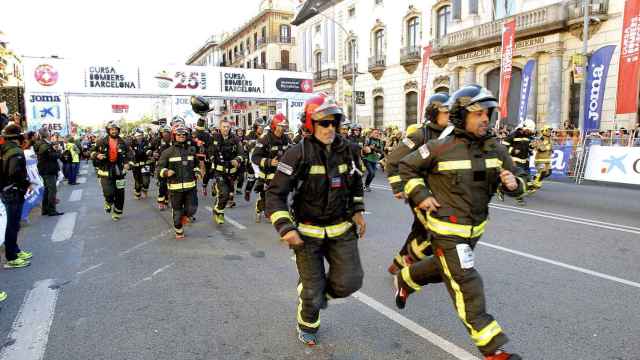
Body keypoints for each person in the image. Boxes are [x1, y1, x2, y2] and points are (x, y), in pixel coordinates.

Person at [395, 85, 525, 360]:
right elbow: (406, 166)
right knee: (467, 282)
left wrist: (514, 185)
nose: (485, 119)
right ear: (461, 115)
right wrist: (421, 195)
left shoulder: (495, 148)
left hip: (474, 229)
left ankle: (406, 278)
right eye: (478, 113)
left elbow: (518, 179)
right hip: (446, 230)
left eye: (487, 113)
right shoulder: (440, 146)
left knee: (442, 268)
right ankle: (493, 350)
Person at [265, 93, 366, 346]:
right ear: (310, 124)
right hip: (307, 235)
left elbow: (355, 185)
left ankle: (315, 292)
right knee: (311, 292)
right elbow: (275, 195)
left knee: (350, 282)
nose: (330, 128)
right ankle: (308, 323)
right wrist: (285, 227)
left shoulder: (350, 151)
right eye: (324, 122)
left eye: (334, 122)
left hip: (342, 230)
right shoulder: (295, 154)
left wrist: (358, 210)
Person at [385, 92, 451, 275]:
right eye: (446, 112)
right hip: (421, 191)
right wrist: (398, 187)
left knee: (420, 231)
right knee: (435, 232)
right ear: (433, 113)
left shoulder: (453, 134)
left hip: (443, 193)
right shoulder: (420, 135)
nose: (450, 115)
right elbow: (393, 159)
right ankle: (407, 262)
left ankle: (399, 263)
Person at [158, 125, 200, 239]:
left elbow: (195, 165)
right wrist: (166, 172)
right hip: (175, 188)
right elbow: (159, 168)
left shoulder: (191, 150)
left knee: (192, 209)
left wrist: (197, 172)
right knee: (177, 211)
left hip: (191, 186)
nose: (181, 136)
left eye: (183, 135)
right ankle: (178, 229)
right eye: (179, 135)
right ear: (174, 136)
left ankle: (185, 217)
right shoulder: (167, 152)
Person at [1, 124, 33, 269]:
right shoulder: (15, 151)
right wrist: (27, 184)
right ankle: (11, 257)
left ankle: (15, 250)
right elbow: (15, 172)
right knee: (13, 225)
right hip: (13, 191)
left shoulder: (6, 149)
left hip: (8, 190)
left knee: (14, 224)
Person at [251, 113, 290, 223]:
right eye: (280, 126)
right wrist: (269, 162)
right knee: (265, 197)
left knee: (280, 195)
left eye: (284, 126)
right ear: (274, 126)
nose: (282, 129)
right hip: (267, 174)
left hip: (281, 173)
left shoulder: (286, 139)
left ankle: (278, 215)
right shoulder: (265, 139)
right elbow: (255, 157)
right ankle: (260, 208)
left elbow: (290, 152)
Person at [91, 121, 131, 221]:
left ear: (118, 130)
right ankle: (108, 202)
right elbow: (91, 152)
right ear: (108, 130)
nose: (114, 131)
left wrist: (128, 163)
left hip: (120, 172)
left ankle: (117, 213)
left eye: (115, 129)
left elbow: (130, 154)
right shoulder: (101, 142)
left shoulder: (124, 142)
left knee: (120, 194)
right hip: (105, 171)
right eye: (112, 129)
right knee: (109, 192)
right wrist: (97, 155)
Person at [208, 119, 244, 224]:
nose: (226, 129)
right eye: (224, 127)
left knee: (227, 195)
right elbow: (208, 149)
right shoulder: (214, 137)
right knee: (224, 193)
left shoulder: (236, 139)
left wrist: (237, 159)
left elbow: (241, 153)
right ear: (220, 127)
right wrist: (212, 158)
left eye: (227, 127)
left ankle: (217, 208)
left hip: (231, 172)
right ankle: (220, 213)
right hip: (219, 171)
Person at [502, 119, 534, 205]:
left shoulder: (528, 136)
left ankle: (502, 190)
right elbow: (504, 146)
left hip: (524, 161)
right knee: (519, 178)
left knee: (526, 178)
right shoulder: (514, 134)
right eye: (529, 130)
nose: (530, 132)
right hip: (515, 160)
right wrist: (513, 150)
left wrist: (530, 149)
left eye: (530, 131)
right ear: (525, 128)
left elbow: (527, 147)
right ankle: (519, 198)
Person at [35, 127, 64, 216]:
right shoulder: (44, 145)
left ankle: (45, 209)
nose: (49, 133)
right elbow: (52, 156)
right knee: (52, 190)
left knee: (47, 190)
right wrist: (59, 151)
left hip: (46, 169)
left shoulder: (44, 144)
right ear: (46, 134)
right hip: (48, 170)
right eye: (48, 132)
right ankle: (51, 210)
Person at [151, 125, 173, 210]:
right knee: (163, 185)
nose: (166, 134)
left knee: (171, 184)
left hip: (172, 165)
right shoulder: (157, 141)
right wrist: (153, 153)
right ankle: (161, 201)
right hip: (161, 165)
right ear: (161, 133)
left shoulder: (173, 141)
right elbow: (150, 149)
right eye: (164, 132)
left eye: (167, 132)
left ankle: (168, 200)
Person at [243, 120, 265, 201]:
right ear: (255, 127)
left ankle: (261, 196)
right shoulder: (250, 134)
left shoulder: (265, 135)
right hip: (251, 159)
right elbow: (245, 146)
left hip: (261, 159)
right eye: (260, 127)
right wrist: (253, 143)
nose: (261, 129)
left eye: (263, 127)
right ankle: (247, 191)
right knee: (251, 178)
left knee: (262, 177)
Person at [130, 128, 153, 199]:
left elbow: (149, 149)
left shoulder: (146, 142)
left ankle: (145, 190)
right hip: (136, 165)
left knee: (146, 181)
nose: (139, 137)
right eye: (137, 136)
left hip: (145, 164)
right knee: (138, 182)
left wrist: (149, 153)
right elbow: (132, 154)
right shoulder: (131, 144)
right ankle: (137, 193)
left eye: (140, 135)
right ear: (134, 136)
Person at [530, 125, 553, 191]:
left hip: (547, 160)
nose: (550, 132)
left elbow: (550, 148)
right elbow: (538, 148)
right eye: (548, 131)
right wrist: (544, 147)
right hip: (540, 160)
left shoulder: (550, 139)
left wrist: (551, 150)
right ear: (544, 131)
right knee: (542, 172)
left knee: (548, 173)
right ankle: (535, 184)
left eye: (550, 131)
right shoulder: (540, 139)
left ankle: (536, 178)